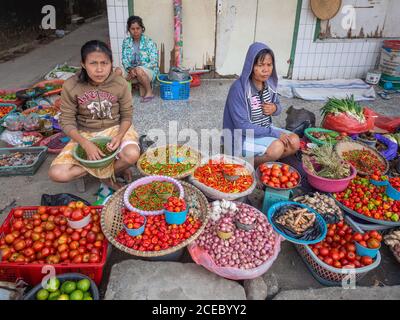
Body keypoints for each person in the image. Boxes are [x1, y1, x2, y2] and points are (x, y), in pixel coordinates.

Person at [48, 40, 140, 191]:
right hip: (86, 133)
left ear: (111, 63)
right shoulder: (71, 85)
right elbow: (66, 120)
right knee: (57, 174)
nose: (99, 69)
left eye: (104, 63)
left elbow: (127, 115)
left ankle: (108, 173)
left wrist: (119, 135)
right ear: (83, 64)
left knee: (131, 154)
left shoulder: (120, 83)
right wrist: (85, 143)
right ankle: (107, 174)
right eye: (93, 63)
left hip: (115, 129)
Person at [223, 42, 300, 167]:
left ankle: (266, 161)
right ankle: (245, 164)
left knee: (294, 141)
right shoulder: (239, 89)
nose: (266, 70)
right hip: (242, 137)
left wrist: (275, 108)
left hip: (264, 130)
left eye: (269, 65)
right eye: (260, 65)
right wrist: (275, 134)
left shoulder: (269, 85)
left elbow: (278, 107)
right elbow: (242, 126)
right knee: (277, 147)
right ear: (251, 66)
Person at [122, 15, 159, 103]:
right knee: (117, 71)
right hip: (131, 71)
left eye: (138, 28)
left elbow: (154, 61)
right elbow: (124, 59)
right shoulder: (126, 42)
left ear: (142, 28)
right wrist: (130, 69)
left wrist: (136, 69)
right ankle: (121, 94)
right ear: (129, 30)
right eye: (132, 29)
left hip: (147, 71)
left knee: (139, 70)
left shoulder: (149, 42)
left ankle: (149, 92)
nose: (135, 31)